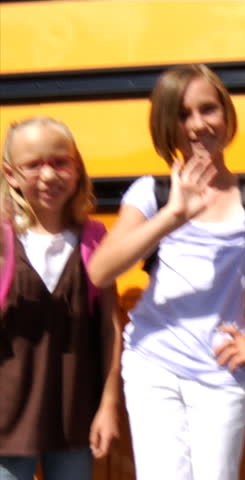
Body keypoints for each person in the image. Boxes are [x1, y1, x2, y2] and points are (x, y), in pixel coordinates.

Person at [86, 64, 245, 480]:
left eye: (207, 109)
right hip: (151, 364)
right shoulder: (151, 193)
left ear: (226, 113)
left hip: (222, 369)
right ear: (167, 126)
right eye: (182, 114)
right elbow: (101, 271)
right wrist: (173, 216)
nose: (198, 124)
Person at [0, 117, 122, 480]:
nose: (48, 175)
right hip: (6, 423)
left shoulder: (95, 239)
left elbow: (110, 327)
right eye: (33, 165)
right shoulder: (3, 242)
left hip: (74, 419)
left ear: (76, 166)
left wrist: (110, 403)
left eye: (59, 162)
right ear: (10, 174)